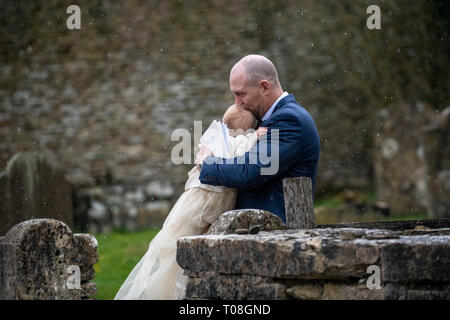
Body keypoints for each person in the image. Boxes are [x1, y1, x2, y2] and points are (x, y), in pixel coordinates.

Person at [114, 104, 268, 300]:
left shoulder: (212, 141)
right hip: (208, 199)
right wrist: (256, 136)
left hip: (197, 198)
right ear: (243, 130)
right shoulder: (233, 142)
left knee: (185, 238)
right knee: (191, 234)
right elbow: (242, 150)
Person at [196, 55, 321, 223]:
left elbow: (249, 170)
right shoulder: (267, 120)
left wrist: (207, 163)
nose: (237, 102)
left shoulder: (290, 120)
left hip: (280, 237)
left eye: (240, 94)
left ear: (264, 87)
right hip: (263, 235)